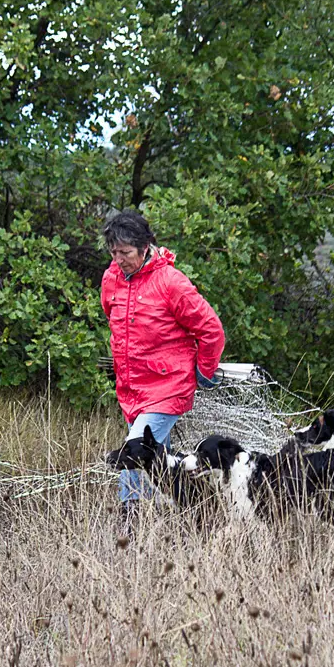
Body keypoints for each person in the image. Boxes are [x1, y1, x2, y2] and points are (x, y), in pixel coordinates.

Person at [101, 210, 225, 527]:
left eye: (125, 253)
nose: (119, 259)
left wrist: (205, 371)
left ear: (144, 248)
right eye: (113, 252)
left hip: (169, 387)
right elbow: (115, 322)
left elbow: (212, 330)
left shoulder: (171, 283)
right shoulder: (110, 278)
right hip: (131, 388)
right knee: (159, 465)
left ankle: (127, 526)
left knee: (135, 450)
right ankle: (197, 515)